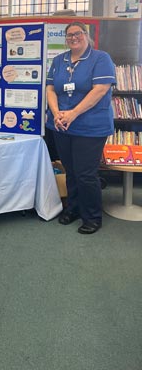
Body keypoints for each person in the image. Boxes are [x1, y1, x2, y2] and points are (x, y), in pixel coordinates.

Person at [45, 21, 115, 234]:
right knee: (71, 171)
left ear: (86, 35)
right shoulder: (59, 60)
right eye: (69, 35)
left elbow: (99, 90)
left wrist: (73, 113)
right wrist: (57, 113)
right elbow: (50, 89)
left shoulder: (100, 58)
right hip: (62, 126)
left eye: (78, 34)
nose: (73, 38)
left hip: (90, 127)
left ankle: (92, 216)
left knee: (86, 173)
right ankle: (73, 208)